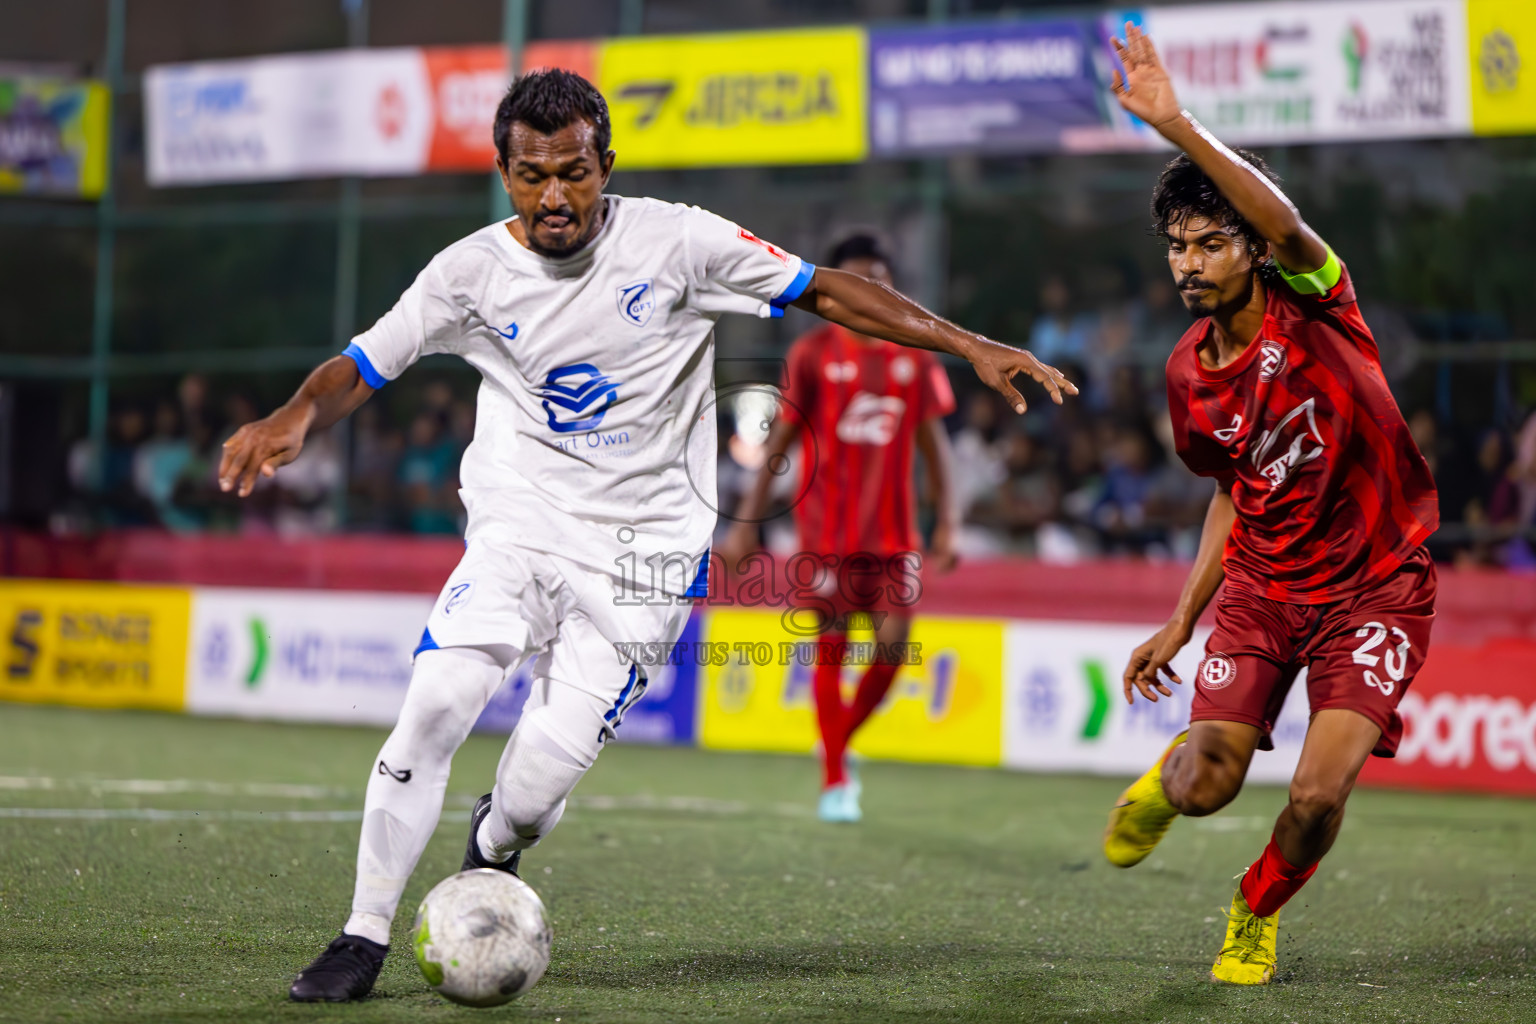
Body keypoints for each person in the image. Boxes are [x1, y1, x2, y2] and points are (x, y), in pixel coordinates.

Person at [216, 70, 1075, 1003]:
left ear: (605, 165)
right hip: (519, 525)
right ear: (504, 173)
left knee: (536, 789)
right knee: (435, 700)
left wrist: (969, 344)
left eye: (575, 172)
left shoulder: (679, 240)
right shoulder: (465, 272)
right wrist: (298, 414)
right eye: (533, 174)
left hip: (643, 558)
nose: (556, 195)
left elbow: (824, 291)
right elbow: (363, 363)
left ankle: (494, 846)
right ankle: (362, 934)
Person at [1099, 26, 1439, 985]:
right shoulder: (1187, 377)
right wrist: (1180, 619)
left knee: (1318, 798)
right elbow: (1230, 494)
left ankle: (1254, 908)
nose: (1190, 263)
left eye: (1212, 242)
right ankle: (1164, 793)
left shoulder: (1318, 301)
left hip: (1376, 589)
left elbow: (1288, 225)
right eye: (1177, 246)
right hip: (1263, 587)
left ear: (1251, 247)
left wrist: (1177, 125)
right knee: (1206, 785)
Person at [719, 232, 960, 823]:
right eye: (857, 280)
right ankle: (835, 780)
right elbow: (781, 441)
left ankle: (836, 742)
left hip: (895, 533)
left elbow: (936, 448)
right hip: (826, 532)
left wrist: (948, 521)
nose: (869, 292)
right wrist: (747, 523)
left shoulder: (916, 355)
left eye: (879, 281)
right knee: (832, 650)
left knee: (893, 650)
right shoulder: (812, 354)